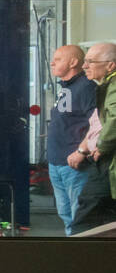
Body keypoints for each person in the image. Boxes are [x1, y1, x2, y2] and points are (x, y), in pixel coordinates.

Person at [46, 45, 98, 235]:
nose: (52, 62)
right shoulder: (65, 88)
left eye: (58, 59)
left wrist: (81, 152)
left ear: (74, 62)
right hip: (56, 163)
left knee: (79, 219)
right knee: (66, 216)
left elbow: (97, 123)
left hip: (75, 165)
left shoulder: (86, 87)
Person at [71, 42, 116, 231]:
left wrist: (102, 146)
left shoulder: (113, 86)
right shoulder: (106, 85)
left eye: (90, 61)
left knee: (85, 218)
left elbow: (114, 118)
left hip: (107, 161)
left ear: (110, 65)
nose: (84, 66)